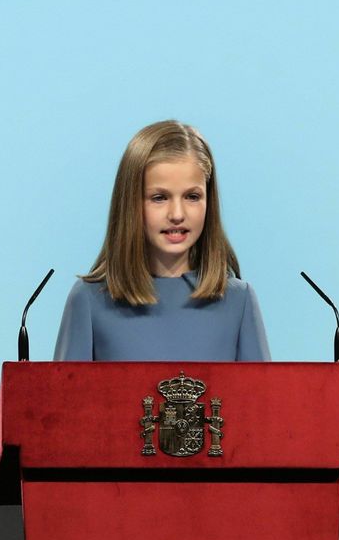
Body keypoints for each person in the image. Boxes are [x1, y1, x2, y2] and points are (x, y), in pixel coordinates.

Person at [54, 120, 269, 361]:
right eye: (159, 197)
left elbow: (260, 399)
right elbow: (65, 399)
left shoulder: (239, 301)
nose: (177, 214)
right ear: (130, 203)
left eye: (192, 196)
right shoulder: (88, 300)